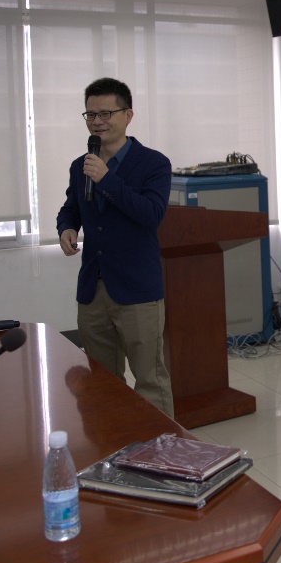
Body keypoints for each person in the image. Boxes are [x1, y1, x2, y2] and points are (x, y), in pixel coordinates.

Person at [56, 78, 174, 417]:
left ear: (128, 115)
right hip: (93, 288)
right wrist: (67, 227)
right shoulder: (81, 165)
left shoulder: (154, 163)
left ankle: (161, 443)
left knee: (150, 379)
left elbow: (151, 215)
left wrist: (106, 179)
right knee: (102, 380)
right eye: (91, 114)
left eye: (106, 113)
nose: (98, 122)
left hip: (137, 288)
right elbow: (71, 208)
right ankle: (112, 441)